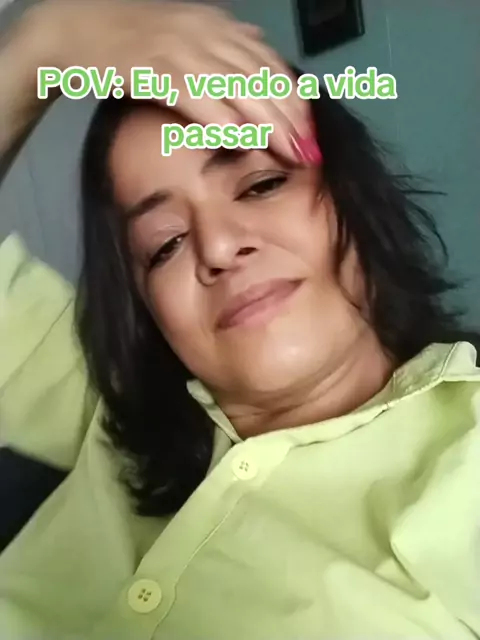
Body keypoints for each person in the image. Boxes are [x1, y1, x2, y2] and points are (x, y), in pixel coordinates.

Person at [0, 1, 479, 639]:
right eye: (165, 244)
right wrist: (45, 41)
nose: (219, 247)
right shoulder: (108, 401)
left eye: (260, 185)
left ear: (353, 196)